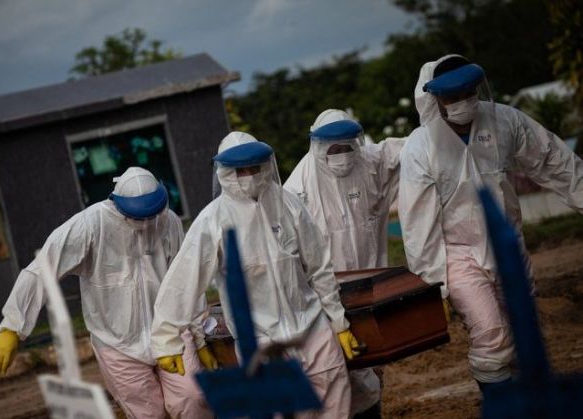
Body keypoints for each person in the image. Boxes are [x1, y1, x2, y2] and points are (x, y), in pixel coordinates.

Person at [398, 54, 583, 391]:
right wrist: (433, 284)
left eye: (468, 93)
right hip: (459, 255)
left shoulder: (505, 121)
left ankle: (531, 403)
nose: (462, 103)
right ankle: (499, 404)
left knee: (523, 330)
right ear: (434, 99)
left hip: (508, 243)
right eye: (451, 97)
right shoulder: (421, 147)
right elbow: (417, 224)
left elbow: (554, 160)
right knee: (491, 335)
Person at [151, 131, 359, 418]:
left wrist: (338, 322)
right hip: (260, 339)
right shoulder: (213, 220)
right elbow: (184, 280)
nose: (248, 175)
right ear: (225, 172)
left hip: (312, 326)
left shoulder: (288, 204)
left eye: (254, 167)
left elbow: (319, 266)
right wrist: (166, 337)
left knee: (335, 401)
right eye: (239, 170)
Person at [0, 167, 215, 419]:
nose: (148, 222)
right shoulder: (90, 225)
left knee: (194, 398)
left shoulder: (169, 221)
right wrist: (12, 326)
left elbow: (187, 281)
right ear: (118, 206)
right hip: (117, 343)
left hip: (170, 331)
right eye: (140, 217)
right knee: (147, 413)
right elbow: (43, 268)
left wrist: (199, 335)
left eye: (153, 214)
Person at [285, 109, 405, 417]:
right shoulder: (297, 188)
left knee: (373, 367)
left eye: (346, 146)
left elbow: (415, 146)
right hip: (324, 298)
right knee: (340, 374)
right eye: (333, 148)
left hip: (370, 287)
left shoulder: (370, 162)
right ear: (319, 147)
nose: (341, 154)